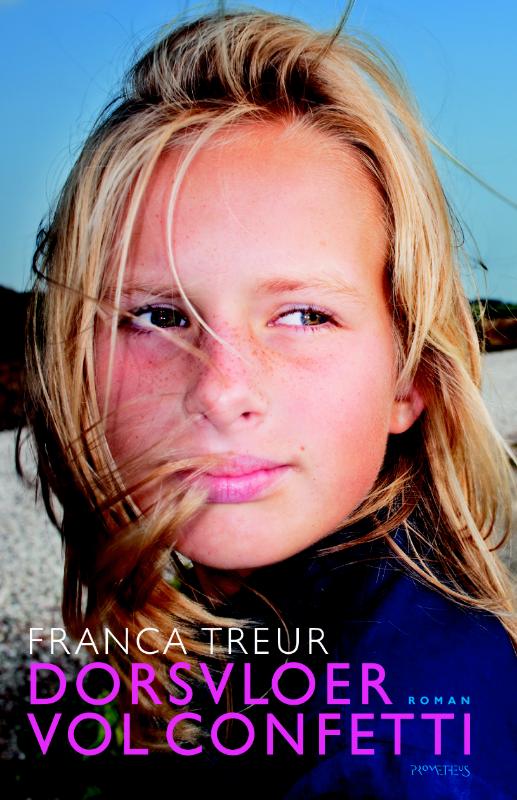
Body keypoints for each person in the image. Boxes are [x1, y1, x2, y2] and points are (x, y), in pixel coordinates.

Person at [23, 7, 516, 798]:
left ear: (409, 375)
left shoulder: (395, 753)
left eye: (304, 316)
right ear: (74, 358)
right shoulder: (271, 627)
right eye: (159, 316)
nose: (222, 391)